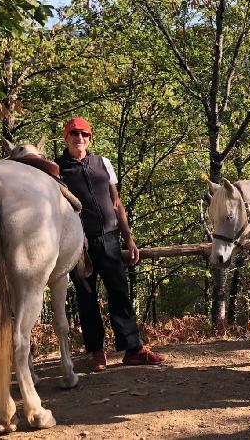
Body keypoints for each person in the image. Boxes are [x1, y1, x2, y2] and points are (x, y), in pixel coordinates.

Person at [57, 117, 165, 371]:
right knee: (87, 297)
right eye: (74, 133)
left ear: (90, 138)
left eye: (84, 134)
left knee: (119, 292)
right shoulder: (56, 169)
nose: (79, 138)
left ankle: (133, 350)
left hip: (109, 237)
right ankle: (96, 352)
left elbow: (116, 203)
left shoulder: (103, 163)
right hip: (77, 244)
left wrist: (129, 237)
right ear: (66, 137)